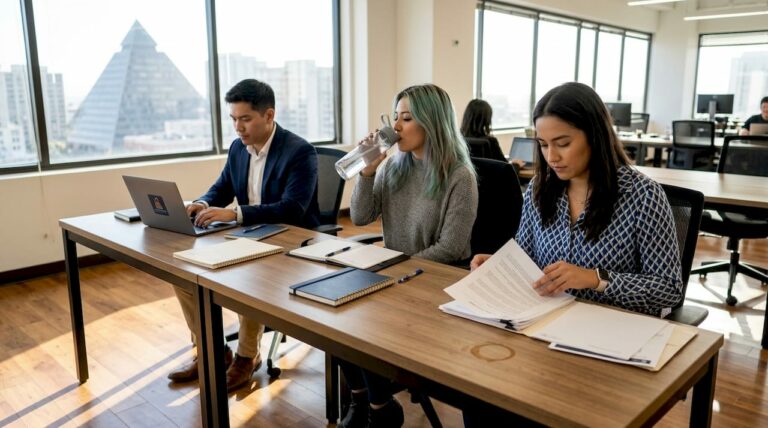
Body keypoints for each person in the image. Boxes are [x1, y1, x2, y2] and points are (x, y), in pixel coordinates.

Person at [464, 82, 683, 426]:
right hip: (545, 329)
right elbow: (524, 256)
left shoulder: (643, 196)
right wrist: (498, 264)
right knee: (480, 395)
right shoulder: (540, 189)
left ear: (595, 136)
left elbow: (669, 288)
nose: (552, 157)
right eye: (544, 145)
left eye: (563, 144)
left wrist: (597, 279)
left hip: (609, 342)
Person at [338, 83, 479, 428]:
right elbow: (359, 217)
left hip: (438, 280)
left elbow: (449, 247)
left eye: (407, 118)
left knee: (365, 319)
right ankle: (367, 403)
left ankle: (379, 406)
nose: (396, 127)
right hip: (396, 276)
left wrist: (395, 270)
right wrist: (367, 171)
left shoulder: (460, 176)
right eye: (395, 117)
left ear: (432, 122)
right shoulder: (393, 167)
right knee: (337, 315)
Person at [167, 79, 320, 392]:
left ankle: (247, 357)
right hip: (248, 235)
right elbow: (223, 186)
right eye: (233, 119)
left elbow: (293, 208)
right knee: (182, 271)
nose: (237, 127)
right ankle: (213, 350)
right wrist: (203, 202)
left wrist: (236, 215)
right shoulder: (239, 148)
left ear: (268, 115)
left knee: (246, 276)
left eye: (245, 119)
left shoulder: (299, 151)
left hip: (290, 240)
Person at [460, 98, 508, 163]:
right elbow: (505, 169)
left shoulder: (458, 138)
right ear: (487, 120)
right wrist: (516, 165)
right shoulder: (490, 141)